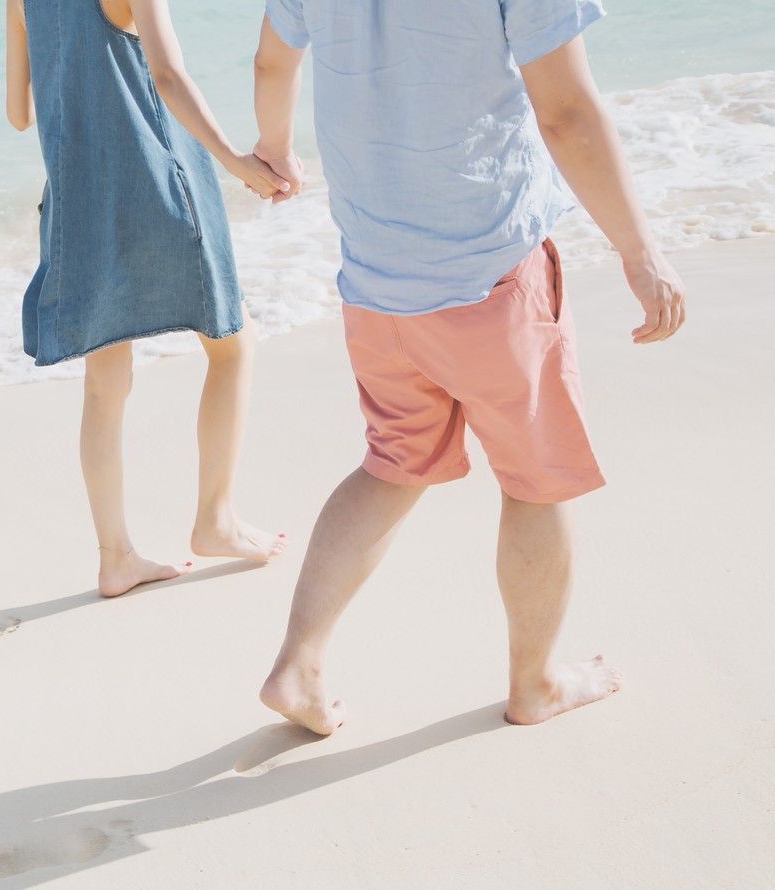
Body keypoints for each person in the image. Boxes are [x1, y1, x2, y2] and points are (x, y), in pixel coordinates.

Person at [248, 0, 687, 730]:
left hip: (377, 282)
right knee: (537, 481)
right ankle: (536, 683)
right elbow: (568, 113)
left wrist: (274, 147)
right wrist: (640, 251)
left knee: (392, 463)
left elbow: (271, 61)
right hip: (490, 275)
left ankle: (298, 662)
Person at [6, 0, 291, 598]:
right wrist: (236, 160)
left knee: (105, 384)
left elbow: (19, 112)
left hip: (78, 197)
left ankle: (116, 558)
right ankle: (215, 519)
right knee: (233, 348)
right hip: (160, 181)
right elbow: (167, 77)